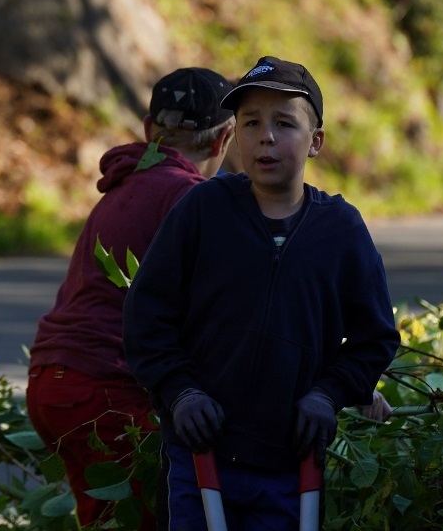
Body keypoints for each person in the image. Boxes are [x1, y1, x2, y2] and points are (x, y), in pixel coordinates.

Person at [123, 55, 401, 531]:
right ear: (235, 136)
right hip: (199, 455)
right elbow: (146, 314)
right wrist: (180, 391)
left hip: (289, 465)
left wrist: (327, 394)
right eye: (251, 123)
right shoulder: (203, 210)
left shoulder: (341, 231)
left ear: (316, 141)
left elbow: (375, 338)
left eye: (284, 123)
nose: (265, 136)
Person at [27, 66, 235, 529]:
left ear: (147, 129)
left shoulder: (123, 187)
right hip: (108, 390)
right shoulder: (192, 198)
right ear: (223, 140)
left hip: (52, 381)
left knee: (107, 521)